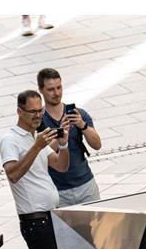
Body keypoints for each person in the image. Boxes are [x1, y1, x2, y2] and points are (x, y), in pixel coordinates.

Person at [0, 90, 69, 249]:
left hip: (50, 216)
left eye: (40, 111)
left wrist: (64, 144)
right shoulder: (11, 140)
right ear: (19, 111)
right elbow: (13, 174)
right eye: (33, 111)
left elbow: (60, 165)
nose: (38, 116)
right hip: (35, 220)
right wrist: (37, 146)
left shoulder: (35, 137)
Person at [37, 68, 103, 207]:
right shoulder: (38, 121)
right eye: (51, 89)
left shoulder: (78, 114)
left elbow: (97, 144)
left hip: (86, 185)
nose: (57, 93)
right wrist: (61, 133)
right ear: (41, 90)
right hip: (58, 191)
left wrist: (82, 125)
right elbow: (40, 155)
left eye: (59, 87)